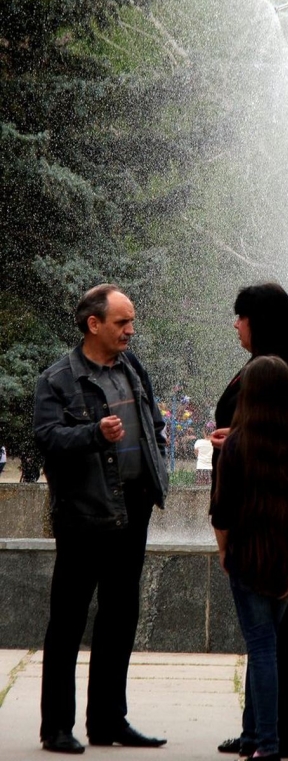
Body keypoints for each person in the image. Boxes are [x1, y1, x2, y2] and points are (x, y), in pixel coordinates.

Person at [33, 284, 169, 754]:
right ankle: (57, 728)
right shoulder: (58, 379)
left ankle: (109, 720)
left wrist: (156, 463)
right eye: (121, 322)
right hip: (84, 514)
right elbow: (47, 438)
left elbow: (153, 424)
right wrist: (93, 433)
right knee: (68, 622)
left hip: (133, 509)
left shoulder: (132, 367)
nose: (130, 330)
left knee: (120, 616)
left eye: (131, 322)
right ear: (94, 324)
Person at [211, 283, 288, 760]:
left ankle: (285, 734)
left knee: (282, 633)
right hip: (263, 515)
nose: (235, 325)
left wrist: (245, 438)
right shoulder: (267, 365)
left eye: (240, 317)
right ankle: (260, 730)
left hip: (275, 520)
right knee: (267, 637)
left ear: (258, 321)